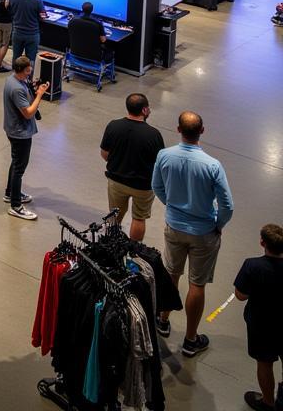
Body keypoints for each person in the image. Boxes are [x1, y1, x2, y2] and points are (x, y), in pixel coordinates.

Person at [152, 110, 234, 356]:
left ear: (178, 130)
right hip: (204, 232)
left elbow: (156, 186)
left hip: (174, 228)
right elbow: (227, 205)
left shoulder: (164, 155)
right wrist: (218, 224)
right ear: (202, 131)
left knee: (171, 273)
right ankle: (190, 340)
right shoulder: (212, 166)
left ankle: (163, 321)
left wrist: (173, 206)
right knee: (196, 284)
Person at [100, 92, 165, 242]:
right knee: (139, 218)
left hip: (116, 181)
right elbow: (159, 163)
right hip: (142, 186)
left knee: (114, 216)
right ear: (144, 110)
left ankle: (111, 245)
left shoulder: (113, 126)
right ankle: (133, 250)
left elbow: (104, 153)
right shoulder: (153, 134)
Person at [234, 223, 283, 411]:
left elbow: (240, 295)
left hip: (261, 323)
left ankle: (268, 402)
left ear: (262, 243)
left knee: (265, 363)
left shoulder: (252, 265)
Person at [3, 55, 48, 221]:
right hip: (20, 133)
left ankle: (10, 192)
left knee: (16, 162)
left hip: (14, 128)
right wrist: (40, 95)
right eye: (29, 69)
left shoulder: (13, 80)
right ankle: (16, 206)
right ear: (23, 70)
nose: (31, 71)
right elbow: (28, 113)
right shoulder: (17, 89)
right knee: (19, 168)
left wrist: (34, 90)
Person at [7, 0, 46, 67]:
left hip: (17, 33)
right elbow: (43, 17)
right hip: (32, 35)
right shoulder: (38, 1)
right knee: (31, 59)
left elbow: (7, 7)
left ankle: (16, 76)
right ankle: (28, 78)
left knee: (16, 57)